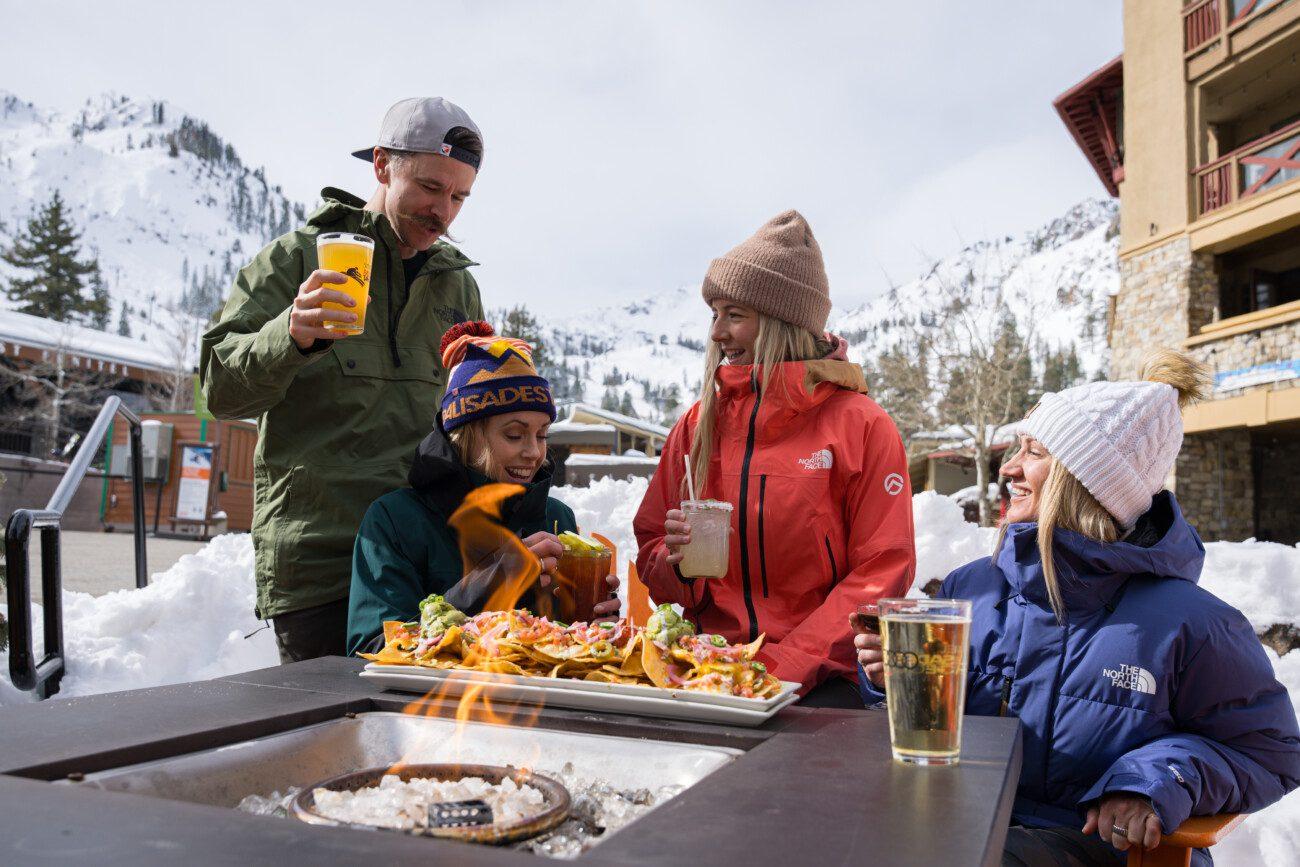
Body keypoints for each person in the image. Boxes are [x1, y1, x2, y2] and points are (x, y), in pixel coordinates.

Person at [854, 349, 1300, 866]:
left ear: (1087, 481)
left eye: (1034, 452)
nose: (1009, 468)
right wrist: (894, 680)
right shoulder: (972, 587)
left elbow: (1270, 753)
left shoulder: (1192, 623)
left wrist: (1154, 780)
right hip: (963, 823)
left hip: (1102, 850)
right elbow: (929, 736)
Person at [200, 98, 486, 662]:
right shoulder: (294, 260)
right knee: (328, 720)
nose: (443, 211)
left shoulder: (457, 287)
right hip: (322, 564)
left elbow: (467, 425)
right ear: (382, 165)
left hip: (427, 562)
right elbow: (221, 393)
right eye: (430, 187)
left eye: (459, 197)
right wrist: (290, 335)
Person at [633, 210, 916, 708]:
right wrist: (677, 568)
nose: (717, 333)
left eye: (734, 314)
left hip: (819, 683)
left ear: (782, 321)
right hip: (703, 671)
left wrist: (780, 668)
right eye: (714, 314)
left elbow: (881, 570)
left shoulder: (861, 426)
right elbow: (651, 545)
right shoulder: (698, 426)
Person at [347, 322, 620, 655]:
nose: (534, 452)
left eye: (542, 435)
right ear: (466, 435)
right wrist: (491, 583)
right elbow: (372, 648)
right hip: (441, 692)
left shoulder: (556, 517)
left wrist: (592, 625)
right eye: (514, 435)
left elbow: (564, 651)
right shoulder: (394, 521)